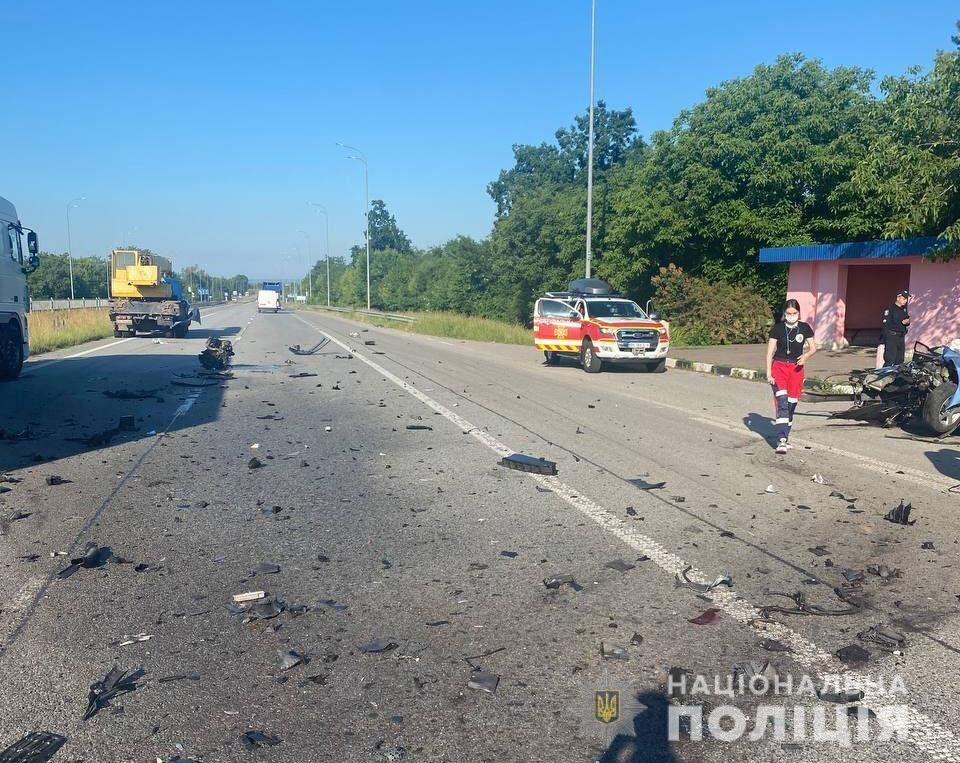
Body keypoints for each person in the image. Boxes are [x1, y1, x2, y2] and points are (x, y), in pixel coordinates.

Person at [766, 300, 817, 455]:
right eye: (788, 313)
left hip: (796, 369)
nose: (791, 316)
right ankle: (781, 440)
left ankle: (785, 437)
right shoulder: (777, 329)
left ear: (799, 313)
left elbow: (814, 347)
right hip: (779, 367)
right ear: (784, 314)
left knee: (791, 405)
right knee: (781, 401)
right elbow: (769, 352)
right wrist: (768, 373)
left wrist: (806, 356)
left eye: (794, 313)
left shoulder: (805, 328)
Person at [881, 290, 911, 366]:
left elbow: (906, 320)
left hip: (901, 337)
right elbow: (886, 324)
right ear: (898, 298)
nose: (905, 301)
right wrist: (886, 338)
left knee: (900, 360)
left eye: (906, 299)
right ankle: (884, 376)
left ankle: (897, 376)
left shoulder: (904, 309)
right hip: (892, 336)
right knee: (889, 359)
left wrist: (907, 322)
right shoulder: (890, 309)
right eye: (904, 298)